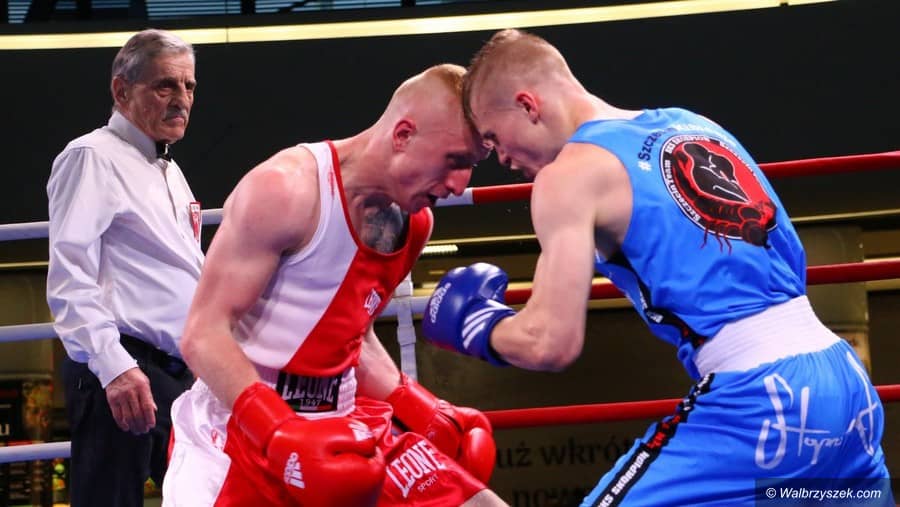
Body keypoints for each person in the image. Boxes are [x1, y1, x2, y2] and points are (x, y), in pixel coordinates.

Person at [422, 29, 894, 506]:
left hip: (762, 402)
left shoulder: (568, 176)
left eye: (494, 138)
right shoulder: (693, 124)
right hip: (846, 383)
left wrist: (477, 325)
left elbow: (549, 342)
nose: (501, 158)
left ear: (528, 105)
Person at [162, 63, 507, 506]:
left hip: (347, 427)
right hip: (239, 432)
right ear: (403, 135)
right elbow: (202, 335)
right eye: (455, 161)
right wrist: (279, 430)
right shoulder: (287, 191)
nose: (460, 185)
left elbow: (351, 338)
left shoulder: (414, 222)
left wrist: (420, 407)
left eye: (471, 166)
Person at [46, 29, 201, 506]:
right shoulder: (92, 157)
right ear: (122, 90)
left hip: (176, 374)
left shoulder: (168, 170)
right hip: (122, 367)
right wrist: (115, 369)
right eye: (165, 85)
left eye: (189, 86)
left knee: (205, 494)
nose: (181, 99)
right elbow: (70, 278)